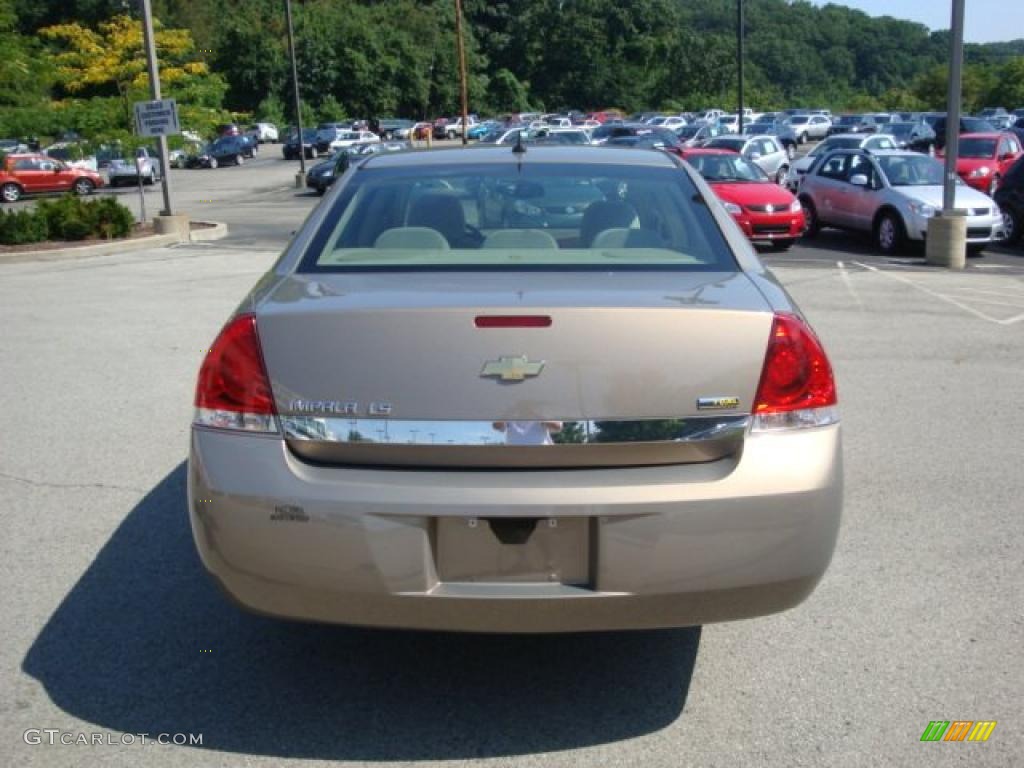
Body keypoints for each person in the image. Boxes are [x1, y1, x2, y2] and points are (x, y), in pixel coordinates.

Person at [492, 420, 563, 446]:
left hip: (541, 455)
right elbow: (496, 426)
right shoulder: (510, 407)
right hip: (513, 455)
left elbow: (557, 427)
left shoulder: (543, 407)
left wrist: (538, 416)